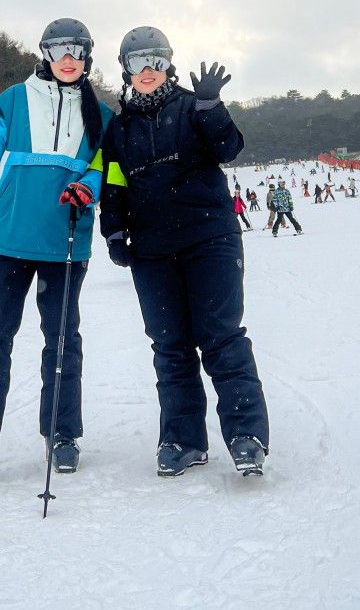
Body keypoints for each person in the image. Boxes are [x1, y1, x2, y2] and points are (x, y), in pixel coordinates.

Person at [0, 19, 112, 482]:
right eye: (59, 50)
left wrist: (87, 187)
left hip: (64, 240)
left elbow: (105, 167)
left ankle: (63, 434)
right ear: (46, 54)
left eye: (77, 50)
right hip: (8, 238)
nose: (68, 59)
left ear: (88, 56)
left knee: (63, 340)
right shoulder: (14, 98)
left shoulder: (103, 116)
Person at [100, 26, 269, 478]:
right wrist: (114, 229)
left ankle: (245, 436)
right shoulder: (117, 129)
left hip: (209, 239)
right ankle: (181, 439)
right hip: (152, 250)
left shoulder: (193, 107)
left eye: (156, 61)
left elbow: (228, 149)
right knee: (170, 347)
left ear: (168, 64)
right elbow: (113, 182)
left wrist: (213, 107)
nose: (148, 71)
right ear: (126, 70)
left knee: (221, 337)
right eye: (138, 63)